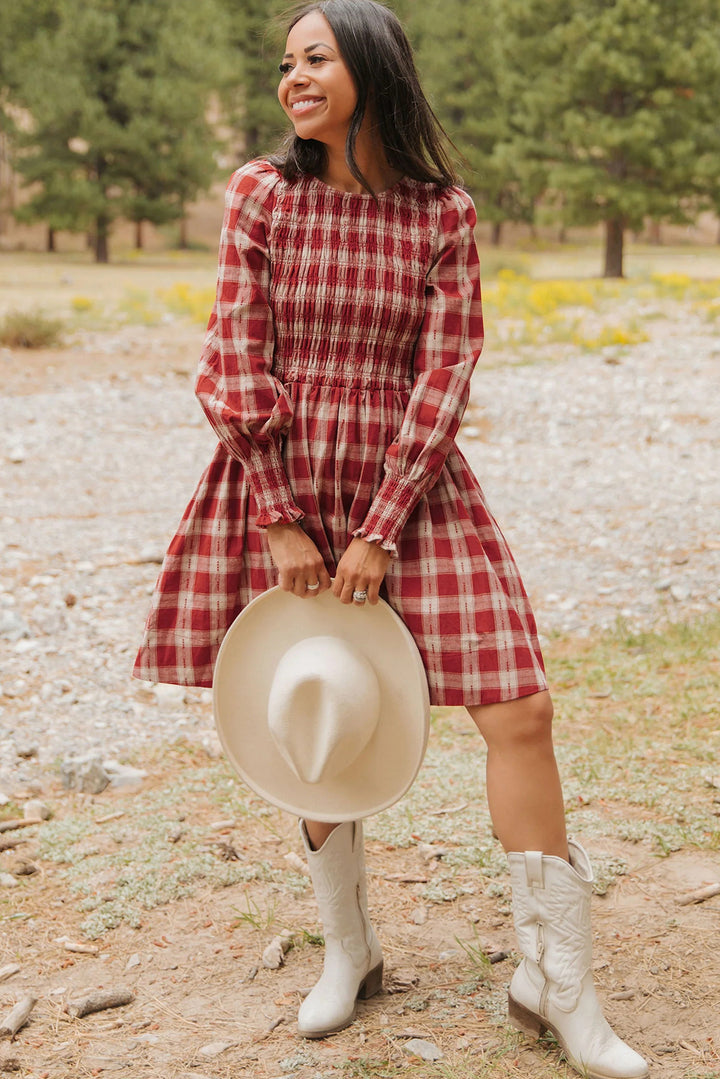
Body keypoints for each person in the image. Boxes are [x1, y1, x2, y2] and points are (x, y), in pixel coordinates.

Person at [134, 2, 648, 1076]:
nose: (293, 76)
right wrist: (277, 510)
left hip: (413, 484)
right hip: (284, 477)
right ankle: (350, 948)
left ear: (373, 64)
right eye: (285, 62)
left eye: (315, 56)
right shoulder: (261, 196)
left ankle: (555, 978)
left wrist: (381, 524)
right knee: (311, 704)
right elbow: (233, 353)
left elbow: (446, 368)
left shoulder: (441, 213)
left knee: (519, 703)